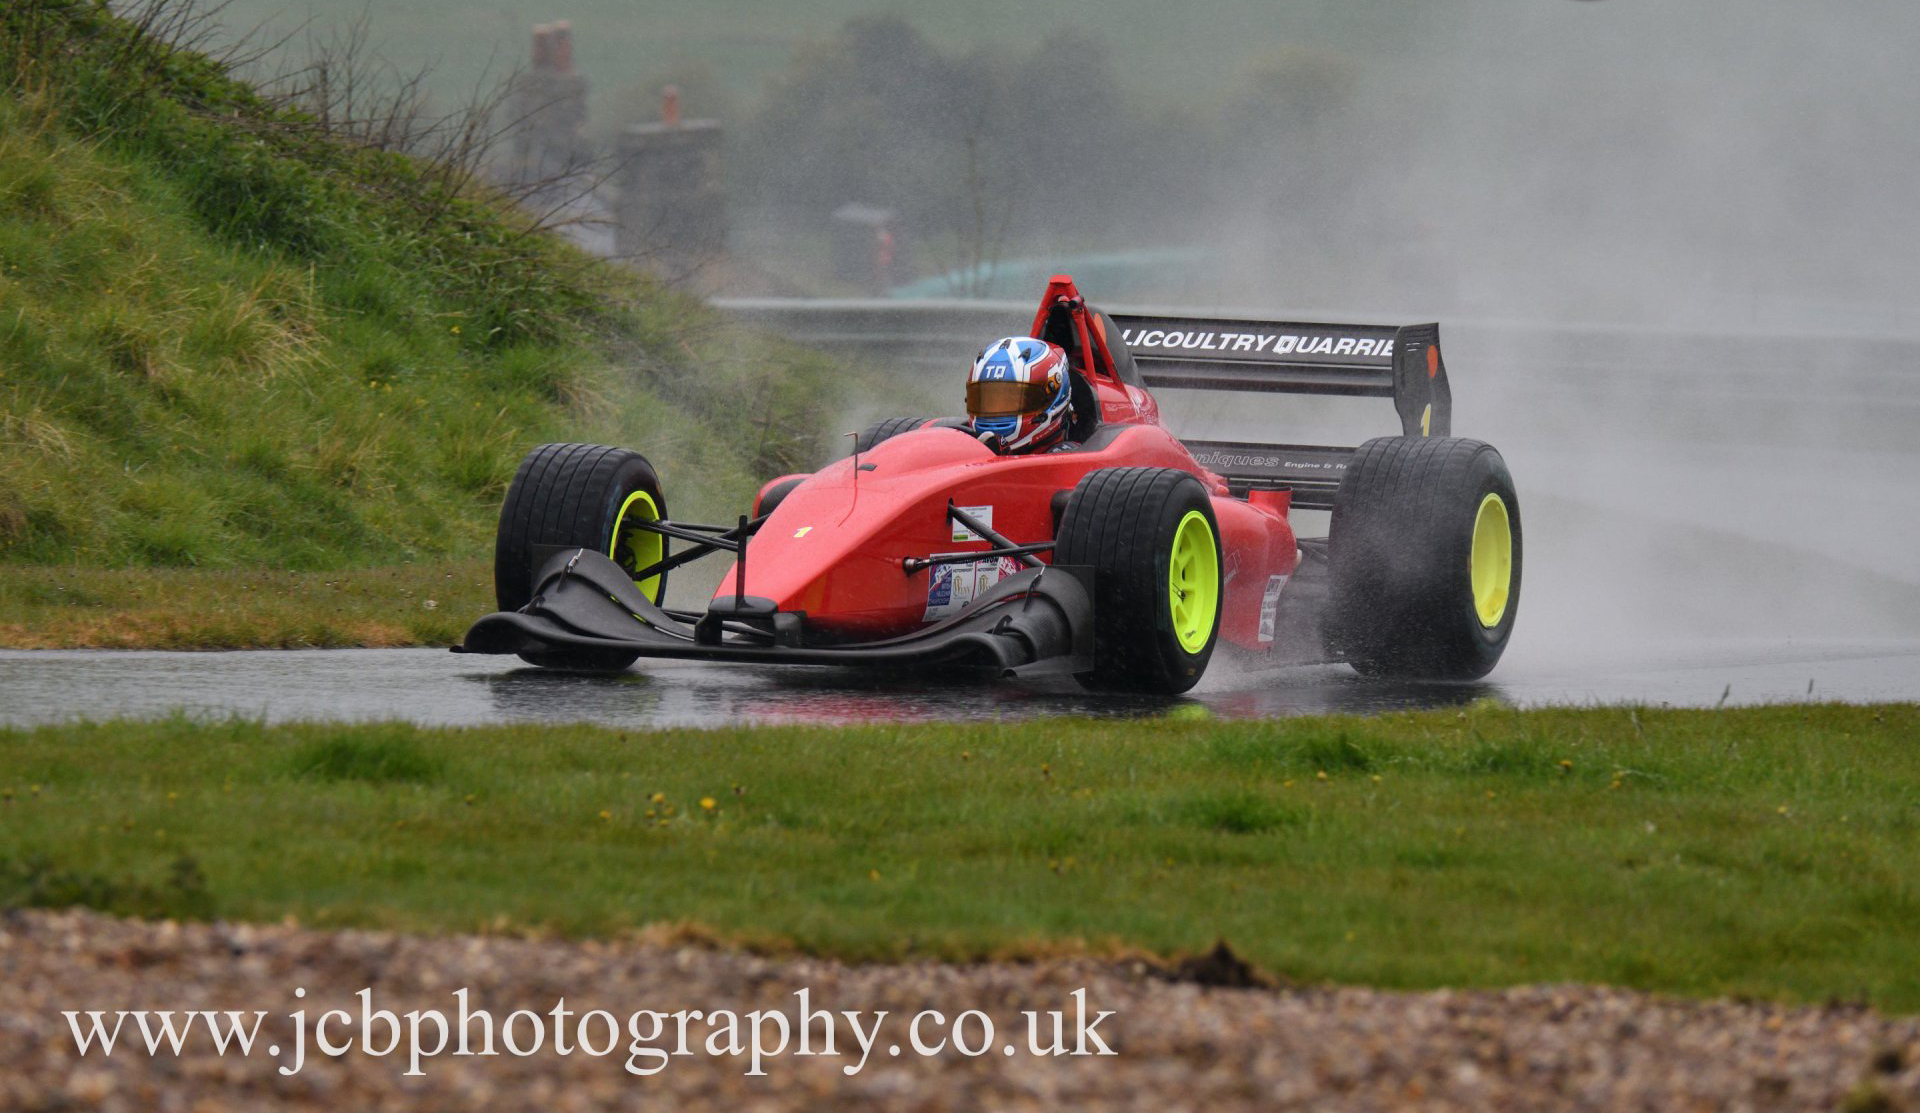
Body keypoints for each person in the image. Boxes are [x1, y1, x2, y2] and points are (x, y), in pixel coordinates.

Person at [964, 336, 1075, 454]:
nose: (996, 412)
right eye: (989, 402)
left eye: (1010, 401)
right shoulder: (964, 439)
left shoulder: (1072, 459)